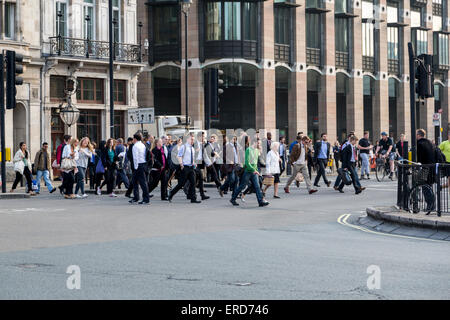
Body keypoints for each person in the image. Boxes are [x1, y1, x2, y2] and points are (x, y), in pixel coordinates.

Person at [230, 134, 269, 207]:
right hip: (248, 171)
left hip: (254, 172)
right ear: (255, 143)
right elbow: (247, 163)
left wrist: (257, 171)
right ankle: (233, 199)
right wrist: (254, 170)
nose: (260, 145)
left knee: (257, 187)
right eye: (259, 143)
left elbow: (255, 163)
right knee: (242, 186)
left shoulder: (257, 151)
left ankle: (260, 202)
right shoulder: (248, 150)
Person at [168, 133, 201, 203]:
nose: (193, 141)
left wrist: (194, 163)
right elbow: (179, 156)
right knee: (181, 184)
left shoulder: (192, 148)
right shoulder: (184, 147)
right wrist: (181, 164)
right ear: (188, 139)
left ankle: (193, 198)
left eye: (193, 140)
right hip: (185, 168)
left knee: (193, 182)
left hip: (191, 168)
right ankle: (171, 194)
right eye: (191, 139)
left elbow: (192, 158)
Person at [416, 129, 437, 211]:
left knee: (424, 186)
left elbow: (419, 158)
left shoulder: (420, 143)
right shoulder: (429, 142)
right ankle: (432, 205)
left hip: (425, 168)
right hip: (432, 167)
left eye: (416, 134)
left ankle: (429, 205)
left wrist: (417, 165)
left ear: (418, 135)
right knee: (429, 187)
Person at [129, 132, 150, 204]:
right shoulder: (142, 145)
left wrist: (135, 167)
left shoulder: (135, 146)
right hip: (143, 164)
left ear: (135, 139)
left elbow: (135, 158)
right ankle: (136, 197)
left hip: (138, 165)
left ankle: (145, 199)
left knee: (142, 183)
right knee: (135, 181)